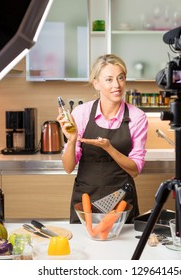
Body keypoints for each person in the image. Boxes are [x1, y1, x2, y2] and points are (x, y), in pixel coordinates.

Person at [57, 54, 148, 223]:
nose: (117, 85)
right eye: (109, 79)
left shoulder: (137, 117)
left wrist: (109, 148)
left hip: (121, 198)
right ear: (96, 83)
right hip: (85, 198)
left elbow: (135, 170)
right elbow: (68, 167)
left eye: (120, 78)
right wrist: (72, 139)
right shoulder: (81, 113)